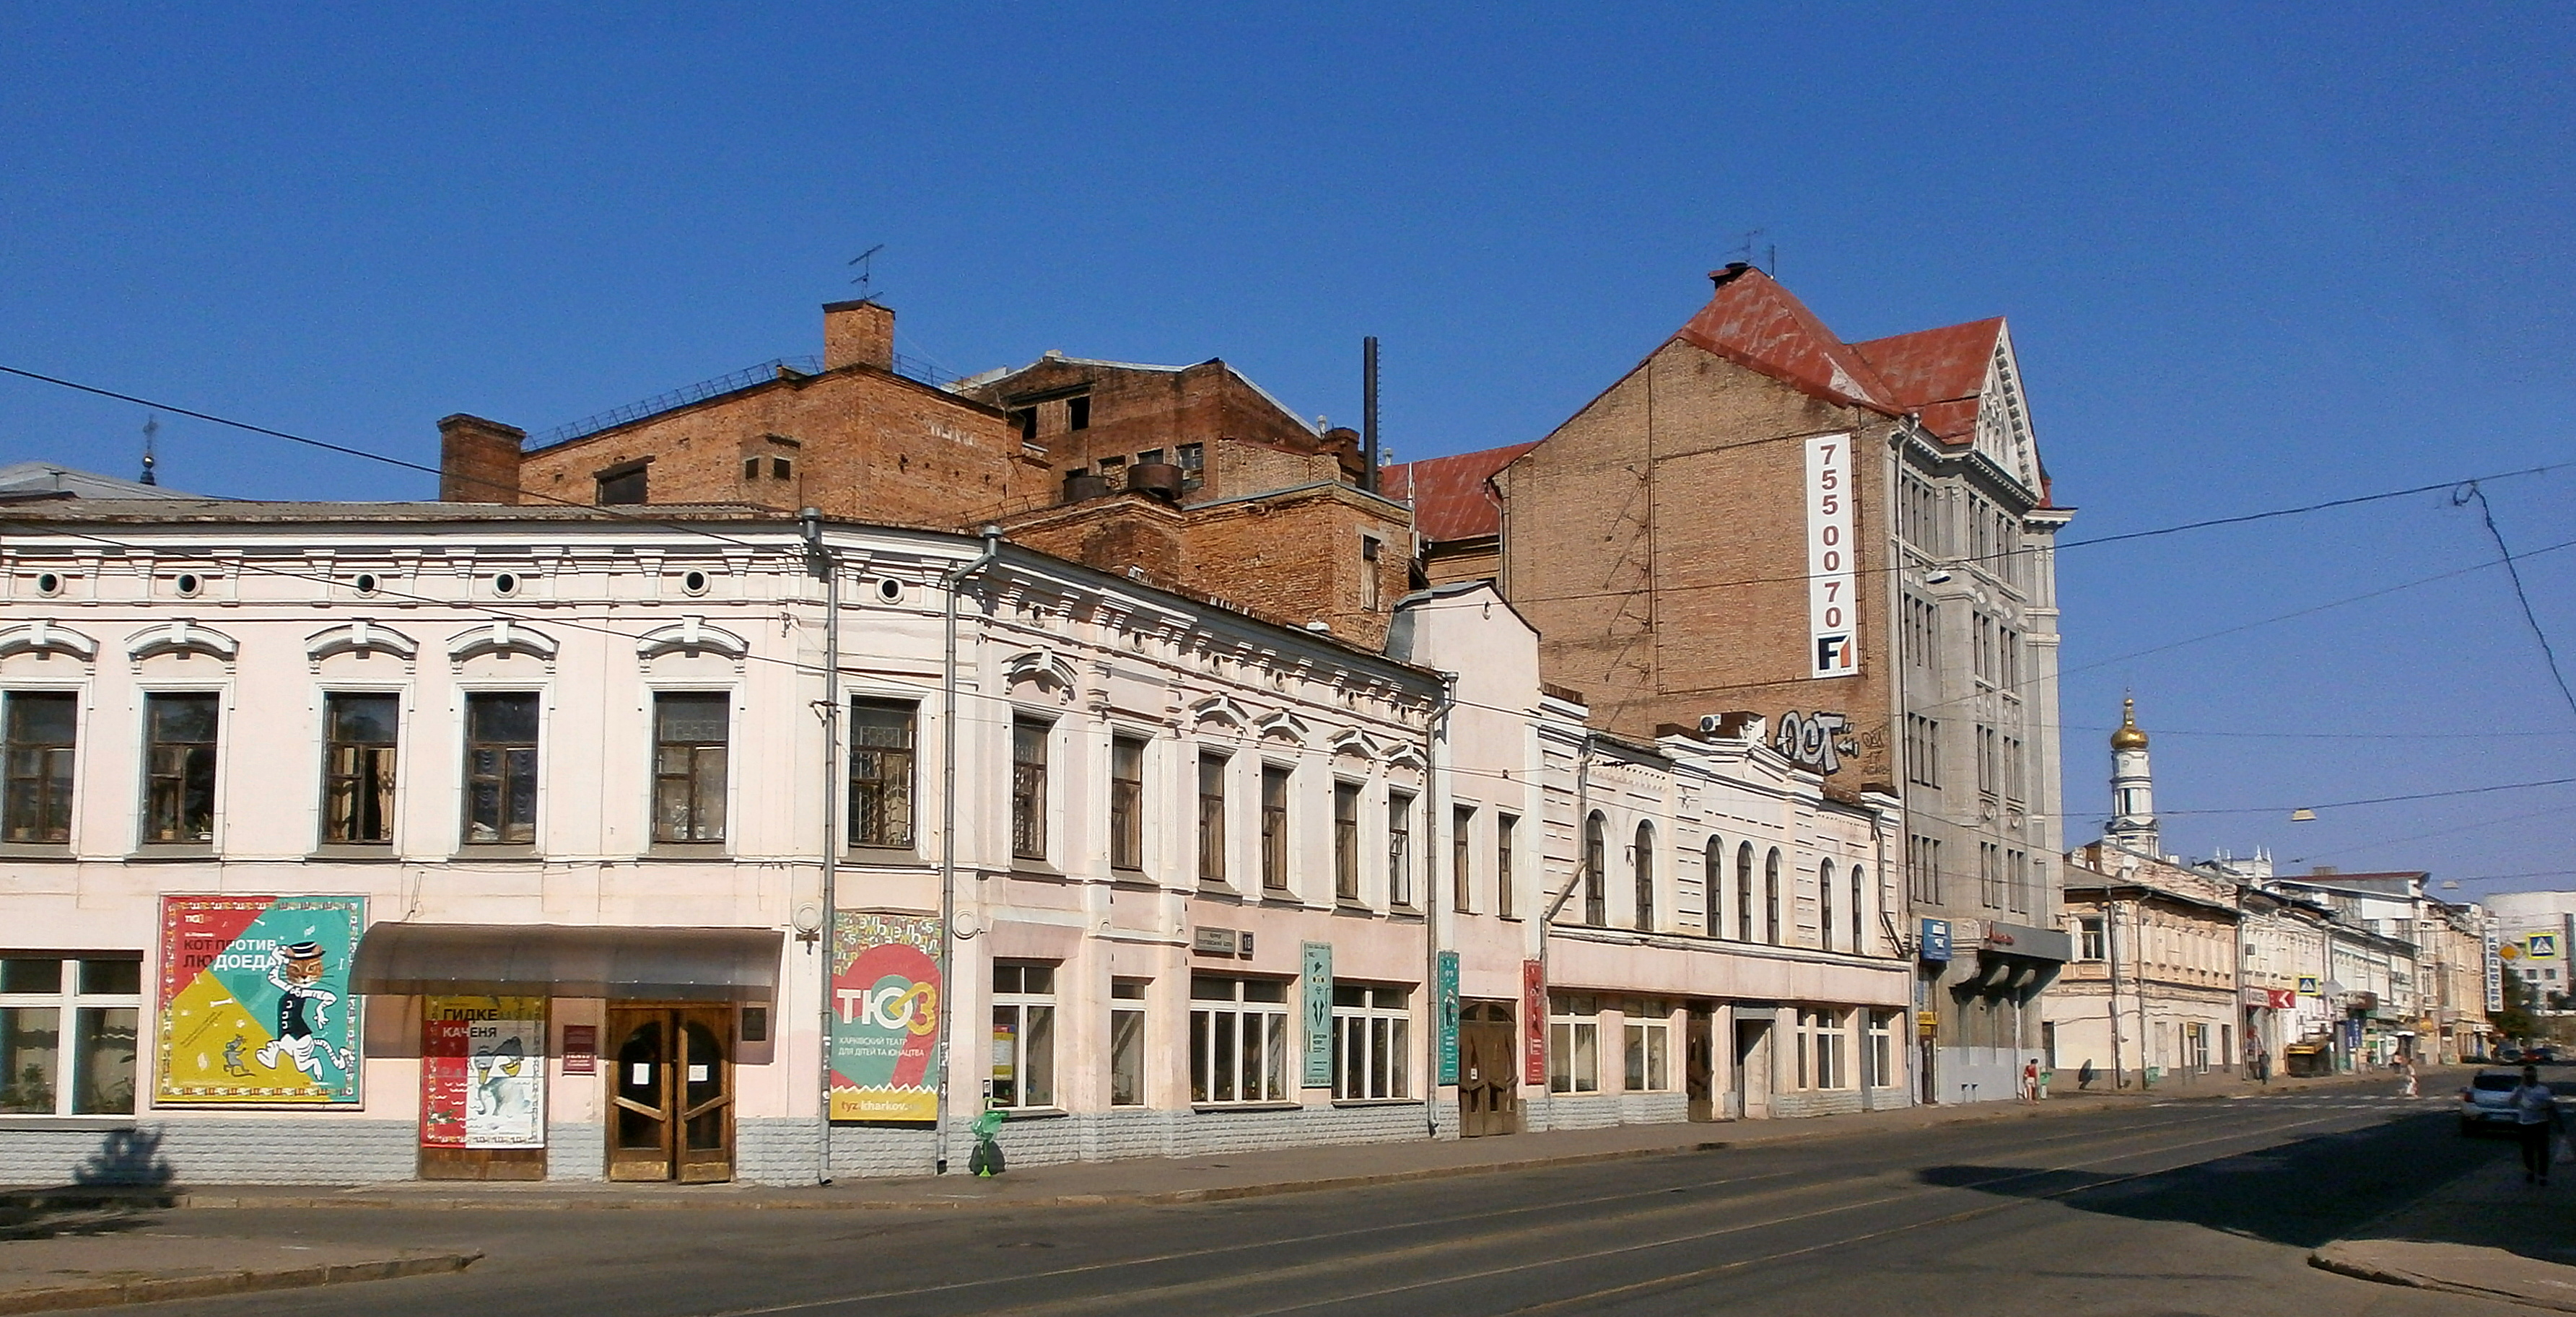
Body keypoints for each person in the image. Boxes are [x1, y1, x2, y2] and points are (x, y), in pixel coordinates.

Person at [2511, 1064, 2557, 1185]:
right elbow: (2512, 1102)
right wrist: (2520, 1089)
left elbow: (2551, 1106)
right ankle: (2530, 1171)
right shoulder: (2520, 1090)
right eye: (2527, 1076)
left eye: (2531, 1076)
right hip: (2525, 1123)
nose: (2529, 1079)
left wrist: (2542, 1108)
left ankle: (2543, 1175)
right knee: (2527, 1150)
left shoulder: (2543, 1090)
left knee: (2543, 1150)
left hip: (2541, 1123)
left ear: (2536, 1076)